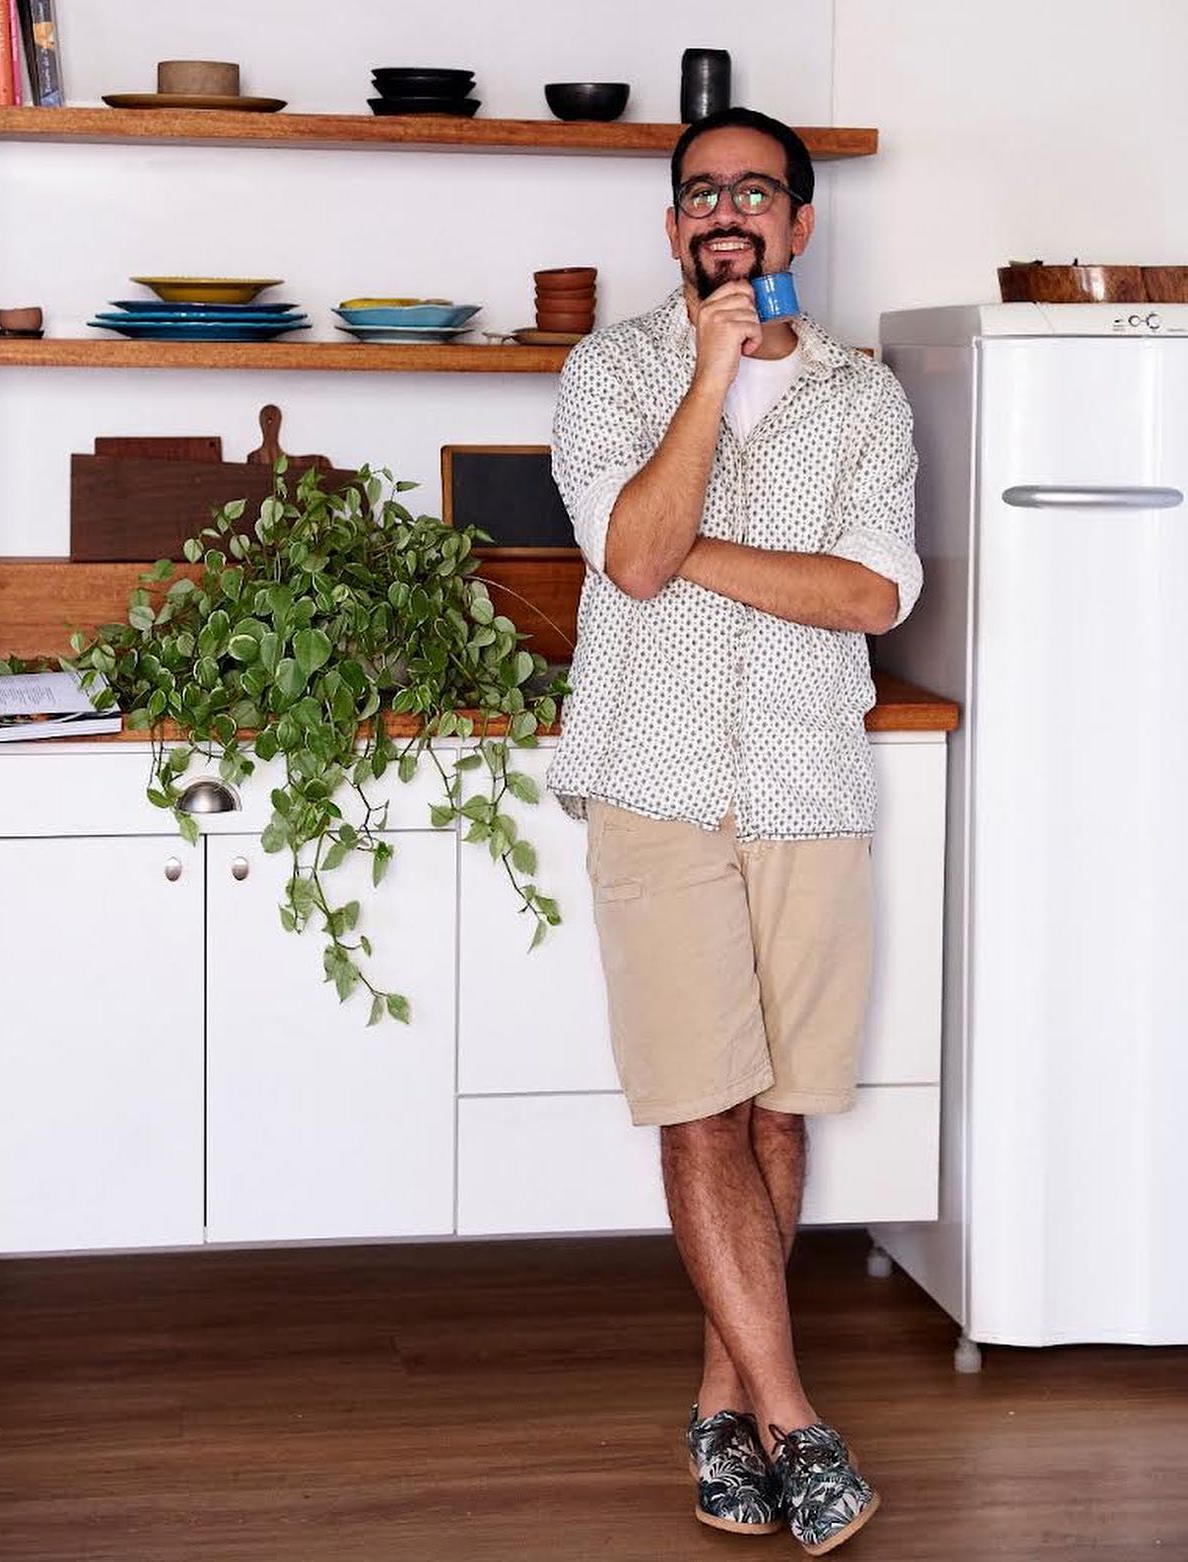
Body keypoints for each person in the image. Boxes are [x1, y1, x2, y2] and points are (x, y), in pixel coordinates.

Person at [546, 106, 922, 1554]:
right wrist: (710, 372)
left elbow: (868, 597)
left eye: (754, 192)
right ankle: (798, 1426)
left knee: (775, 1108)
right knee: (702, 1103)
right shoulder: (611, 371)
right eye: (701, 193)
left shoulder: (864, 397)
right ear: (671, 227)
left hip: (805, 782)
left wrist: (675, 546)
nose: (726, 212)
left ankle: (724, 1409)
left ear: (797, 224)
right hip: (652, 779)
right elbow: (630, 562)